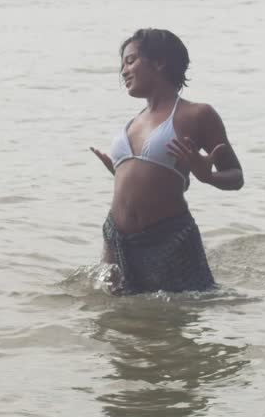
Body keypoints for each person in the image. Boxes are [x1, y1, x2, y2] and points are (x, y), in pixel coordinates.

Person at [89, 29, 244, 294]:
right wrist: (120, 172)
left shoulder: (197, 115)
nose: (123, 71)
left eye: (130, 61)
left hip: (168, 238)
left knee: (174, 322)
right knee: (111, 323)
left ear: (159, 62)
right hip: (116, 237)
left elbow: (236, 176)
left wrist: (208, 177)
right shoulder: (134, 121)